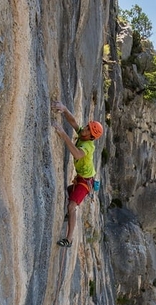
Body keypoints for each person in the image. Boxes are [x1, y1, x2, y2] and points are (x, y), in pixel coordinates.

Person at [51, 101, 103, 247]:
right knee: (67, 196)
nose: (84, 129)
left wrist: (62, 133)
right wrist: (64, 108)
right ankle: (69, 217)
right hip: (82, 178)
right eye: (87, 127)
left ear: (92, 137)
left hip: (86, 182)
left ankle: (68, 239)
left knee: (72, 206)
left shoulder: (88, 146)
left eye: (87, 130)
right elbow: (74, 122)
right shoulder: (84, 135)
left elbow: (77, 154)